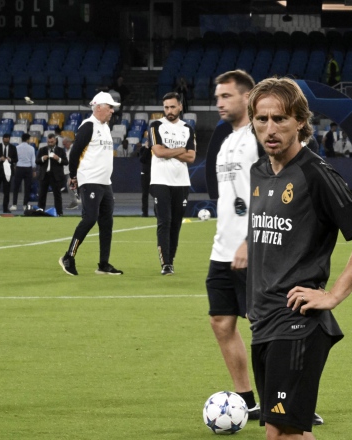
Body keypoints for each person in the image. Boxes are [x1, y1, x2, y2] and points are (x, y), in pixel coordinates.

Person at [246, 77, 352, 440]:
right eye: (262, 119)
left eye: (280, 119)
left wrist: (332, 295)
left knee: (280, 432)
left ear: (301, 123)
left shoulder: (316, 173)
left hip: (297, 322)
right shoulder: (258, 172)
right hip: (263, 321)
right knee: (288, 432)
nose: (270, 129)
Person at [206, 69, 263, 420]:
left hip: (253, 248)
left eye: (226, 96)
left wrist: (248, 240)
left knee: (265, 328)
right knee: (221, 323)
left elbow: (272, 191)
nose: (219, 103)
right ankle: (248, 401)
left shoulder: (261, 136)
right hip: (222, 249)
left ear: (247, 96)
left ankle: (288, 402)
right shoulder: (227, 141)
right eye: (217, 98)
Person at [59, 91, 124, 276]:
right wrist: (73, 176)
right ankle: (68, 257)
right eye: (110, 107)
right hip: (90, 180)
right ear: (99, 108)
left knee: (106, 223)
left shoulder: (105, 127)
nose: (112, 111)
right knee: (89, 218)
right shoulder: (88, 126)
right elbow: (75, 152)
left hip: (104, 182)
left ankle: (103, 264)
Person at [149, 91, 196, 275]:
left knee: (176, 223)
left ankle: (171, 259)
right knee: (164, 222)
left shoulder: (187, 129)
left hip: (181, 182)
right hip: (160, 181)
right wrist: (181, 149)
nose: (169, 110)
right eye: (166, 107)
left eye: (172, 107)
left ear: (180, 107)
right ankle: (166, 264)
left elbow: (191, 157)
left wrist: (169, 150)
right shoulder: (156, 126)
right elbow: (158, 152)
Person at [36, 133, 68, 216]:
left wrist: (58, 159)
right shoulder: (42, 150)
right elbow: (37, 161)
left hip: (56, 176)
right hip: (44, 175)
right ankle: (40, 211)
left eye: (52, 142)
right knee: (42, 195)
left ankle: (59, 212)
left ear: (55, 141)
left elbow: (66, 162)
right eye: (49, 142)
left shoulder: (60, 150)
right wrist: (43, 158)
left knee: (57, 195)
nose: (50, 143)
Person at [0, 133, 18, 213]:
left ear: (9, 139)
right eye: (5, 139)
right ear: (3, 139)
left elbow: (16, 159)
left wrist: (10, 159)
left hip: (8, 171)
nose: (6, 140)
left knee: (7, 190)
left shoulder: (13, 148)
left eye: (7, 138)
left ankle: (5, 207)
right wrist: (0, 159)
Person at [11, 133, 36, 211]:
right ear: (28, 139)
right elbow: (33, 161)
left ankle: (14, 205)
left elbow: (14, 159)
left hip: (19, 168)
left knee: (16, 187)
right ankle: (25, 205)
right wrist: (34, 170)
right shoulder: (31, 148)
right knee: (27, 188)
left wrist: (15, 167)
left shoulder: (17, 147)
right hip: (28, 169)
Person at [61, 136, 80, 209]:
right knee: (71, 186)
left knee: (70, 185)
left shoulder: (73, 149)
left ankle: (75, 202)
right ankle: (75, 201)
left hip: (73, 171)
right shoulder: (68, 150)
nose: (64, 146)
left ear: (69, 143)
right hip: (68, 171)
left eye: (65, 144)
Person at [138, 141, 151, 217]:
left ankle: (157, 212)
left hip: (154, 174)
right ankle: (145, 212)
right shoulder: (143, 149)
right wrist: (146, 148)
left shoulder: (155, 149)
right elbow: (142, 159)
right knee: (145, 194)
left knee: (157, 194)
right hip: (145, 173)